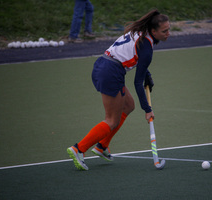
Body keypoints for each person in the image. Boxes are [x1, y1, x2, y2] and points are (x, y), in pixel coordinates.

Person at [67, 9, 170, 170]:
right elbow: (137, 82)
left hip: (104, 65)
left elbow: (136, 58)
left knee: (128, 105)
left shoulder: (140, 33)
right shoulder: (147, 47)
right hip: (111, 72)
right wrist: (147, 109)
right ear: (154, 31)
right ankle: (79, 149)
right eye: (164, 31)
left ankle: (102, 146)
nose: (168, 33)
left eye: (169, 29)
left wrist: (146, 74)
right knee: (111, 120)